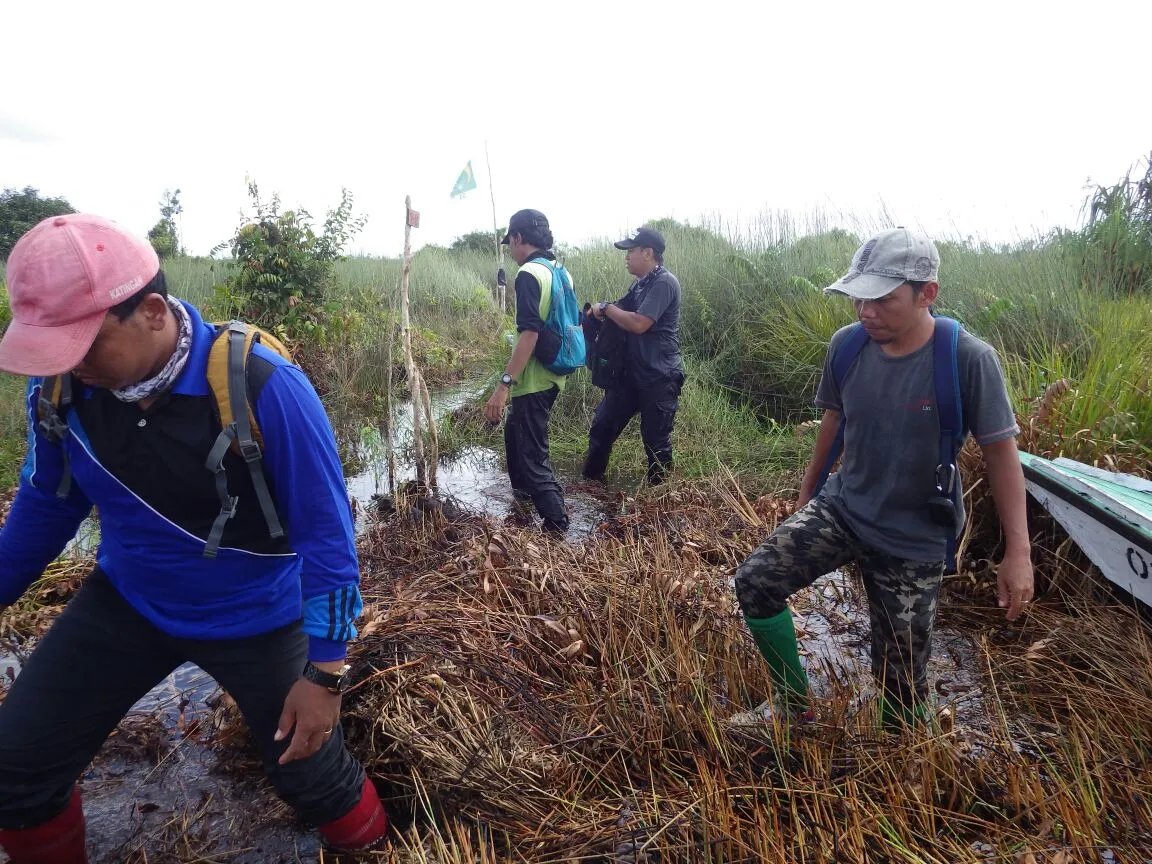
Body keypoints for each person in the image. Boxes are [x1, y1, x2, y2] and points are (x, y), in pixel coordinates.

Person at [0, 214, 388, 862]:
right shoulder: (61, 392)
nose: (70, 365)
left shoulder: (263, 387)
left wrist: (325, 674)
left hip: (257, 616)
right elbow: (47, 504)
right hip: (128, 603)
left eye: (84, 343)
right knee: (15, 767)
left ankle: (378, 851)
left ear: (151, 312)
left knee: (310, 773)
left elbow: (329, 542)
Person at [732, 227, 1034, 728]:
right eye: (858, 298)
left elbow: (1003, 457)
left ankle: (902, 746)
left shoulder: (967, 359)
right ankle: (793, 704)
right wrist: (808, 496)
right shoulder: (847, 347)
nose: (865, 311)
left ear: (927, 294)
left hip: (913, 536)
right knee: (756, 581)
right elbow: (834, 423)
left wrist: (1018, 553)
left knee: (899, 684)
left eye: (882, 299)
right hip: (844, 508)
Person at [483, 209, 570, 535]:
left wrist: (504, 384)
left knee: (532, 456)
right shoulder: (559, 270)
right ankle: (522, 509)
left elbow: (530, 333)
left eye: (511, 243)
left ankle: (557, 524)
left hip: (533, 379)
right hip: (550, 374)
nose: (511, 250)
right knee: (514, 441)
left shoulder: (529, 273)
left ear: (518, 238)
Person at [582, 226, 685, 485]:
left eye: (631, 251)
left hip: (659, 376)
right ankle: (591, 486)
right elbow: (622, 309)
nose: (626, 257)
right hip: (629, 376)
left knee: (656, 441)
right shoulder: (640, 284)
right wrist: (595, 314)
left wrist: (605, 308)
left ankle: (659, 500)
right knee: (602, 428)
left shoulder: (664, 282)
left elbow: (639, 323)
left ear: (648, 252)